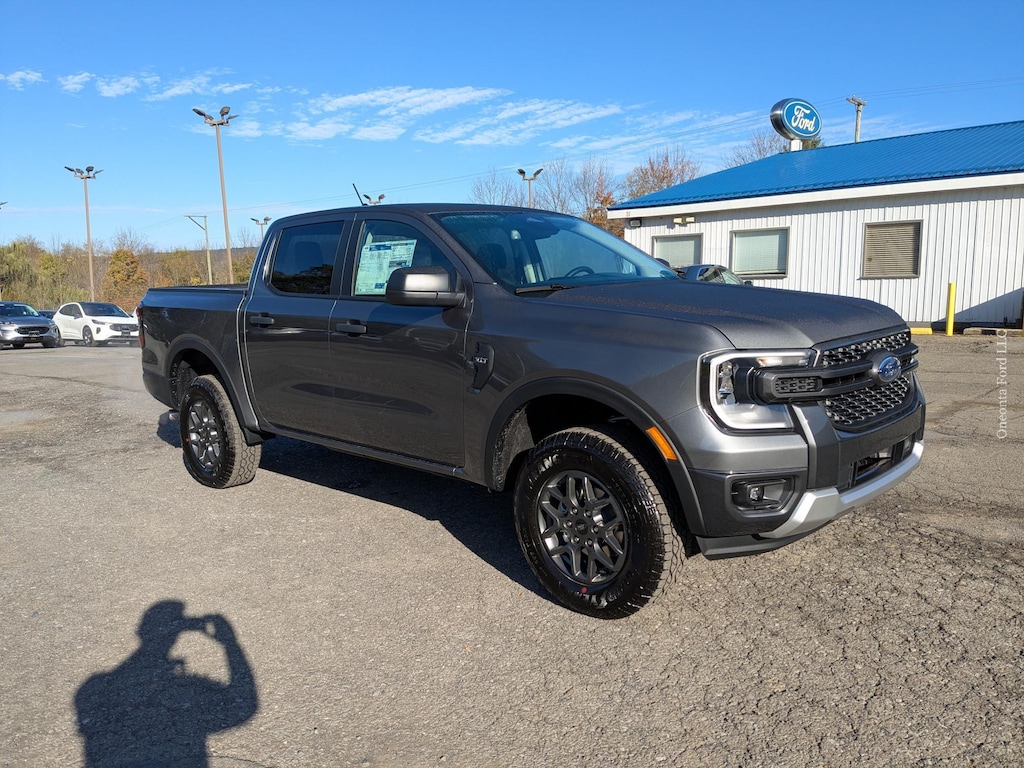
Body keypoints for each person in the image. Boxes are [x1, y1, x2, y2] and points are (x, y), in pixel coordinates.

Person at [75, 600, 258, 768]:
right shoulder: (94, 687)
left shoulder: (92, 688)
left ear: (141, 631)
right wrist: (230, 644)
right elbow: (243, 708)